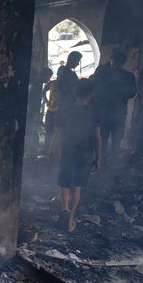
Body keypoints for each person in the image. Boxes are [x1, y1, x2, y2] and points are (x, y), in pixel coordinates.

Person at [54, 79, 101, 232]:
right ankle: (71, 219)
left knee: (64, 184)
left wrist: (51, 153)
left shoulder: (66, 110)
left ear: (76, 92)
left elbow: (58, 134)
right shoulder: (94, 112)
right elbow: (97, 138)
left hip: (68, 150)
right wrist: (98, 158)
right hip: (85, 152)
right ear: (92, 94)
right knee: (77, 186)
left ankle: (64, 210)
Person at [90, 52, 136, 164]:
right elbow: (92, 83)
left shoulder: (126, 76)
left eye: (118, 61)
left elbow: (132, 93)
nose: (116, 63)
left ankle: (108, 161)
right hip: (107, 112)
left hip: (114, 112)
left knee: (113, 139)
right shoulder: (105, 73)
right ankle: (104, 161)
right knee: (106, 139)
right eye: (115, 60)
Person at [26, 67, 54, 155]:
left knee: (32, 135)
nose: (49, 79)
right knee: (32, 135)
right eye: (48, 77)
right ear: (43, 75)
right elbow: (30, 101)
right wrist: (34, 114)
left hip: (33, 114)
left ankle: (31, 155)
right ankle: (32, 156)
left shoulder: (38, 85)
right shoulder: (34, 85)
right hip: (30, 114)